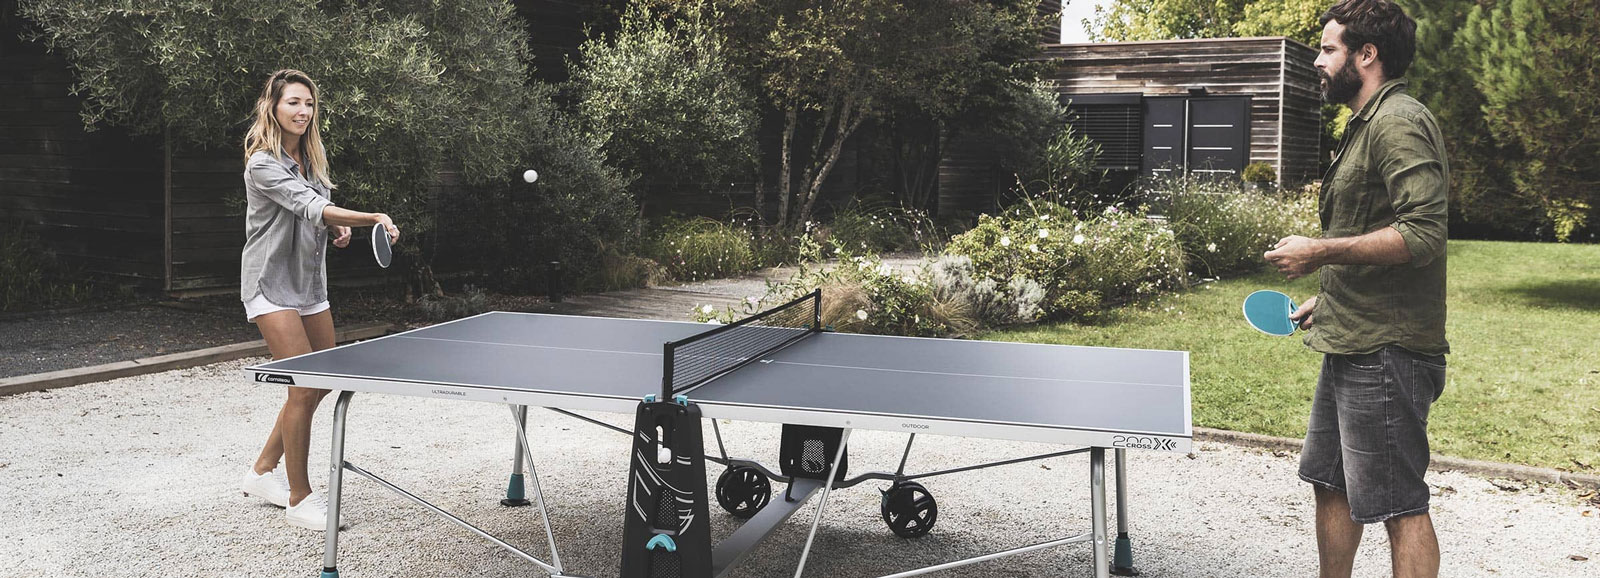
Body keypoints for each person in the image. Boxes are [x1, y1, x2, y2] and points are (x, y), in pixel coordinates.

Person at [1262, 1, 1449, 576]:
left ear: (1367, 55)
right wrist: (1332, 295)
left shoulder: (1397, 122)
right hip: (1351, 334)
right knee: (1331, 482)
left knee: (1398, 504)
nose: (1318, 61)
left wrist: (1318, 252)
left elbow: (1423, 233)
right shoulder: (1366, 123)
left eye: (1328, 49)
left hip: (1387, 350)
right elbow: (1374, 225)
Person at [237, 69, 400, 530]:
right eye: (293, 102)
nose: (303, 111)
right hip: (271, 284)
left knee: (321, 381)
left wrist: (336, 225)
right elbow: (309, 205)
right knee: (303, 385)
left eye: (308, 103)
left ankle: (261, 472)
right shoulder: (263, 163)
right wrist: (372, 216)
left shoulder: (311, 159)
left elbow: (316, 212)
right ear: (273, 107)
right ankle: (299, 497)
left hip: (310, 285)